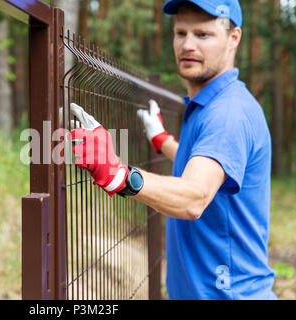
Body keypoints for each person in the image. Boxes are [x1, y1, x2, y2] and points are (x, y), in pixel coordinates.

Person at [68, 0, 277, 300]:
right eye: (181, 33)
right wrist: (162, 140)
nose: (188, 45)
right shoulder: (208, 103)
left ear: (234, 38)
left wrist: (118, 174)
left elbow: (195, 196)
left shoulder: (227, 113)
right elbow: (206, 164)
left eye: (203, 35)